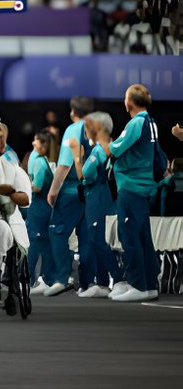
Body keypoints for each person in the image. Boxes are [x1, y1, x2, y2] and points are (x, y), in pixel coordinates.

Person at [99, 84, 161, 302]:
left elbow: (115, 149)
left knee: (130, 237)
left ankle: (138, 284)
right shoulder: (150, 122)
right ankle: (150, 284)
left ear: (129, 103)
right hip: (142, 188)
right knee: (143, 237)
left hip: (131, 187)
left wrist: (102, 138)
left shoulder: (136, 122)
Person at [44, 96, 96, 296]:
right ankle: (88, 282)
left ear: (73, 112)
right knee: (86, 236)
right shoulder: (96, 128)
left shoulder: (73, 130)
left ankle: (62, 277)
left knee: (56, 231)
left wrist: (53, 190)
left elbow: (65, 165)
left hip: (71, 189)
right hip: (90, 189)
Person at [0, 117, 31, 303]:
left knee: (1, 230)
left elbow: (25, 199)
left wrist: (10, 193)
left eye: (2, 138)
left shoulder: (11, 168)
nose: (1, 142)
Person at [75, 112, 122, 298]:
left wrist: (78, 159)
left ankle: (118, 279)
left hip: (99, 197)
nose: (85, 131)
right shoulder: (100, 149)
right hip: (96, 197)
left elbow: (86, 174)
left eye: (88, 127)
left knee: (100, 239)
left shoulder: (99, 150)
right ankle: (102, 282)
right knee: (96, 240)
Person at [26, 131, 56, 295]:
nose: (34, 144)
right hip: (40, 207)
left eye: (38, 142)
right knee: (39, 245)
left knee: (38, 244)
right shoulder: (38, 161)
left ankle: (37, 279)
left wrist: (23, 186)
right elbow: (36, 186)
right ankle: (37, 279)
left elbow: (36, 187)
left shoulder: (37, 161)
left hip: (39, 208)